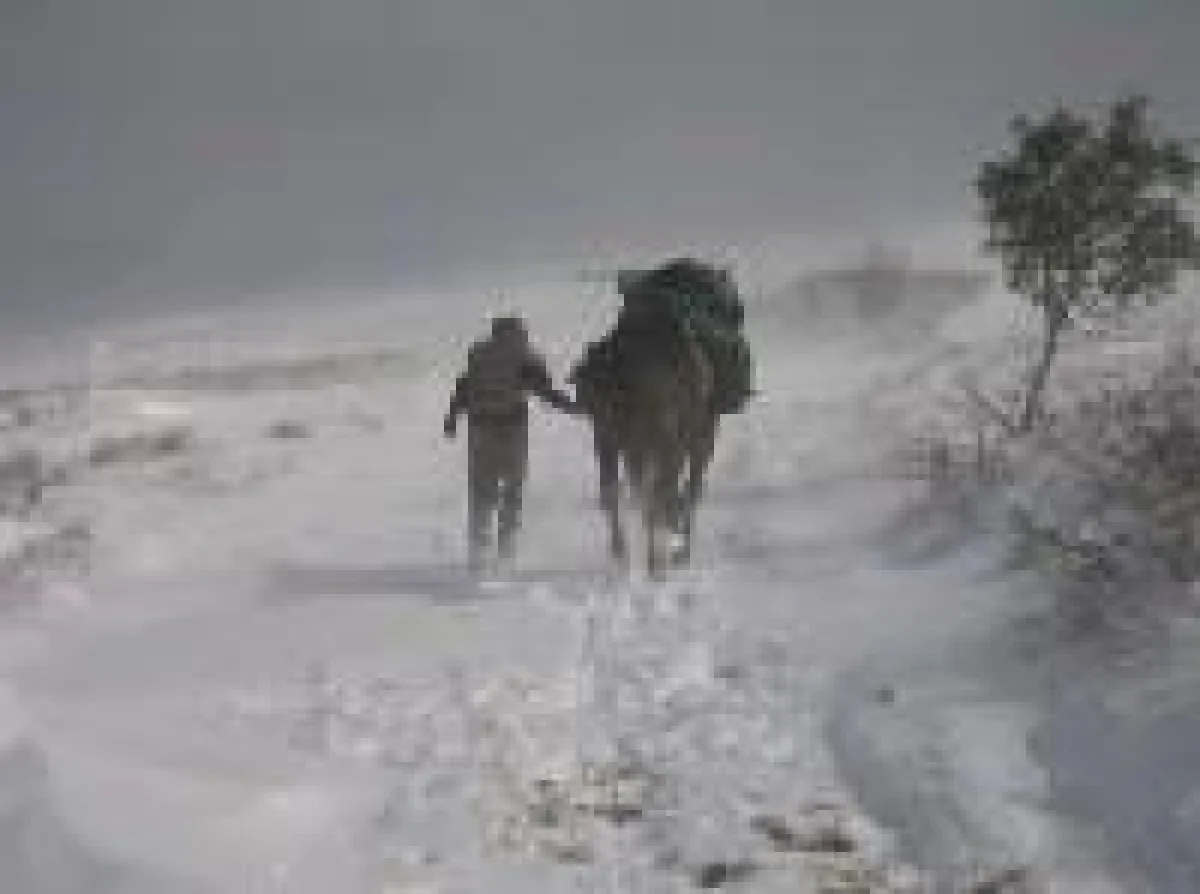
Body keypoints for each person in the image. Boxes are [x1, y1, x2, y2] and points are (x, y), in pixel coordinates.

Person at [443, 315, 577, 572]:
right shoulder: (525, 357)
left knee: (481, 490)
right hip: (511, 430)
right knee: (512, 492)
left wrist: (452, 419)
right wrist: (574, 407)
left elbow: (463, 386)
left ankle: (478, 550)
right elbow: (544, 390)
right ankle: (505, 551)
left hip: (479, 429)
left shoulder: (478, 354)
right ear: (518, 334)